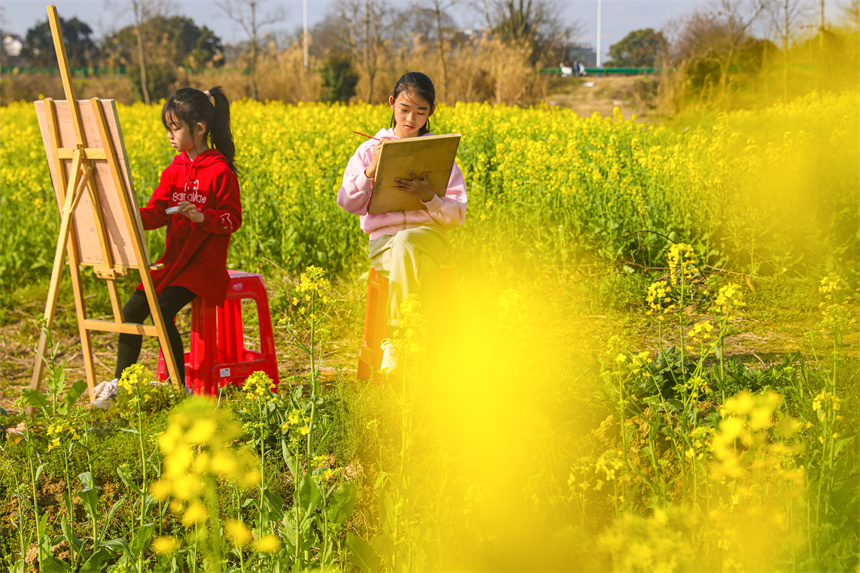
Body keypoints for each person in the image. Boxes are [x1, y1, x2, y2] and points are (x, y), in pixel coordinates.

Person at [95, 86, 242, 404]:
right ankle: (122, 386)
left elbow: (233, 220)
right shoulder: (174, 171)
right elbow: (157, 213)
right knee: (133, 309)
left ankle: (180, 388)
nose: (170, 136)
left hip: (203, 267)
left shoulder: (220, 172)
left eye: (175, 128)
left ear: (199, 128)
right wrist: (126, 215)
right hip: (173, 263)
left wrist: (204, 218)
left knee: (161, 311)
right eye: (168, 129)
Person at [337, 71, 467, 372]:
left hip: (429, 238)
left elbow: (457, 214)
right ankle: (432, 347)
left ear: (431, 112)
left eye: (421, 112)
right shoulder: (369, 150)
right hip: (384, 243)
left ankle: (395, 339)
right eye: (405, 109)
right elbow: (347, 202)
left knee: (408, 242)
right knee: (406, 251)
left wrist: (429, 198)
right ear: (392, 103)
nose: (411, 119)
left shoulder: (439, 151)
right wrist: (370, 170)